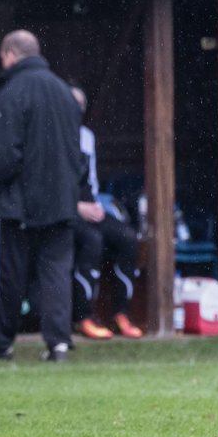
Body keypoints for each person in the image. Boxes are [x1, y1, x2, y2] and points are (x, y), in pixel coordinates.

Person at [0, 30, 84, 363]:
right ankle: (58, 344)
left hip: (18, 203)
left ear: (9, 55)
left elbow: (4, 155)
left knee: (10, 275)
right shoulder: (66, 94)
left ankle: (0, 343)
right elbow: (76, 153)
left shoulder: (8, 95)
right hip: (62, 200)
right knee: (56, 274)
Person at [69, 86, 144, 340]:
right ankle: (83, 316)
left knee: (127, 237)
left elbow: (89, 179)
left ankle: (120, 312)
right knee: (92, 240)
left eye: (80, 104)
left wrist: (98, 205)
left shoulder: (87, 136)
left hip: (90, 204)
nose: (75, 108)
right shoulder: (50, 136)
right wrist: (76, 206)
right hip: (65, 209)